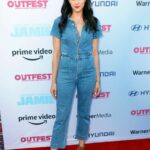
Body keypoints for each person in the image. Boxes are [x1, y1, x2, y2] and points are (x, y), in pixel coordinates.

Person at [50, 0, 103, 149]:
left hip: (88, 71)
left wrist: (98, 80)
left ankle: (81, 144)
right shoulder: (59, 22)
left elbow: (95, 52)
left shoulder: (94, 22)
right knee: (62, 113)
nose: (77, 2)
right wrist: (53, 81)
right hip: (65, 70)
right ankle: (56, 146)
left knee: (84, 111)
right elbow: (56, 53)